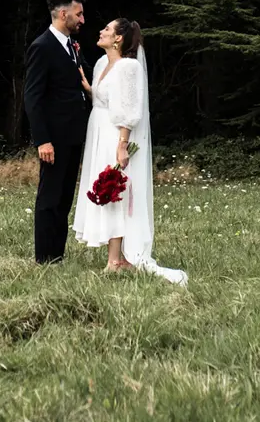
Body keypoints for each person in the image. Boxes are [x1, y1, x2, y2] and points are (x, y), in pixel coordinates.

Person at [72, 18, 187, 284]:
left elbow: (129, 108)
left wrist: (122, 144)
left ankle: (117, 259)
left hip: (115, 134)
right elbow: (104, 98)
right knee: (105, 189)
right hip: (97, 131)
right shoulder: (102, 64)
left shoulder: (129, 67)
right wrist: (87, 87)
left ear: (118, 39)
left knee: (115, 190)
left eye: (107, 30)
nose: (101, 31)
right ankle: (116, 257)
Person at [23, 0, 90, 264]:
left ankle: (57, 255)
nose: (82, 20)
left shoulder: (72, 47)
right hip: (54, 138)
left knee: (64, 197)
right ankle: (44, 257)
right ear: (64, 14)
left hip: (73, 136)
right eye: (79, 13)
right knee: (49, 196)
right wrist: (42, 140)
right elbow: (33, 97)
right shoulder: (42, 47)